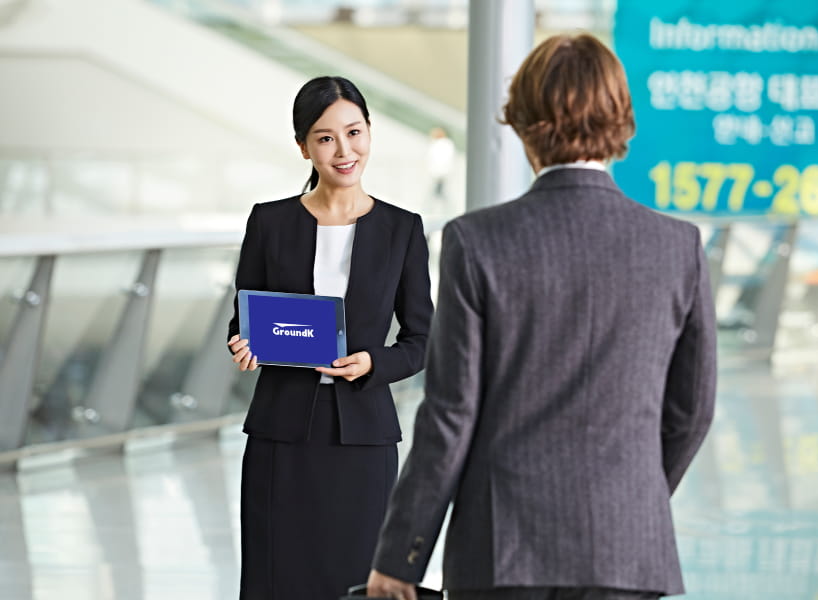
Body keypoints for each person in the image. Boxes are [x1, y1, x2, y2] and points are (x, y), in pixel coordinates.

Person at [367, 33, 717, 600]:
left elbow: (450, 416)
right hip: (627, 552)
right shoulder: (677, 246)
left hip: (502, 552)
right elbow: (691, 413)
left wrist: (402, 556)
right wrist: (634, 500)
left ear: (525, 125)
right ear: (620, 122)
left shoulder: (477, 242)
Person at [227, 75, 433, 600]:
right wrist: (242, 344)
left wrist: (373, 364)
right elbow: (245, 318)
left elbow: (422, 339)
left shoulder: (402, 229)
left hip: (362, 440)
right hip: (281, 436)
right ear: (303, 147)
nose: (344, 151)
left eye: (355, 132)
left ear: (369, 133)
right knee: (278, 577)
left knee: (357, 579)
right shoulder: (269, 223)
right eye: (325, 138)